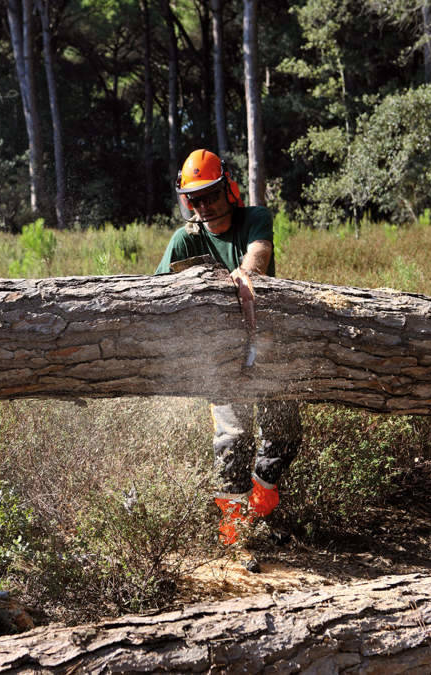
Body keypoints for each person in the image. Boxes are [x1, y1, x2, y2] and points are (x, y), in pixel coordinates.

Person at [155, 149, 302, 548]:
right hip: (220, 359)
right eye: (195, 199)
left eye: (210, 195)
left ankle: (259, 508)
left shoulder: (254, 218)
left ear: (228, 188)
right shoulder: (185, 239)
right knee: (234, 441)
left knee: (285, 435)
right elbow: (155, 294)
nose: (204, 205)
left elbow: (259, 254)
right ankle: (234, 536)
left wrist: (245, 273)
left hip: (269, 346)